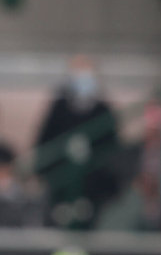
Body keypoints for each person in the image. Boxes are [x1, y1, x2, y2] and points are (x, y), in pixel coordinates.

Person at [33, 55, 122, 230]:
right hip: (60, 185)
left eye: (86, 73)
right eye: (78, 73)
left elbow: (112, 148)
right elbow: (44, 142)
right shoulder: (58, 108)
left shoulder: (103, 110)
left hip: (95, 187)